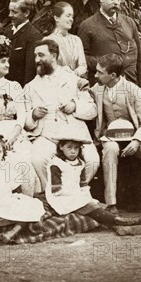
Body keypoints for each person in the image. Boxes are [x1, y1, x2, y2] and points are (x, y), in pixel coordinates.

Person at [90, 53, 141, 223]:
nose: (95, 75)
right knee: (110, 150)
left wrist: (137, 140)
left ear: (113, 75)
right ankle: (111, 204)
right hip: (110, 137)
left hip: (135, 135)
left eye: (99, 72)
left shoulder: (133, 90)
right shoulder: (96, 89)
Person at [25, 39, 100, 190]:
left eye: (41, 55)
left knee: (92, 160)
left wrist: (75, 106)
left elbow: (92, 110)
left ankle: (75, 194)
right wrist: (33, 115)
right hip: (47, 134)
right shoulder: (30, 87)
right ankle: (52, 196)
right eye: (35, 56)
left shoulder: (74, 79)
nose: (37, 60)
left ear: (54, 56)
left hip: (74, 132)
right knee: (38, 159)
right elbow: (25, 122)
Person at [0, 35, 39, 196]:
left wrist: (13, 136)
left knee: (24, 161)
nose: (7, 64)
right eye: (3, 61)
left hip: (14, 132)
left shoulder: (14, 86)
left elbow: (22, 116)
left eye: (7, 60)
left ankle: (25, 202)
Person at [47, 136, 141, 235]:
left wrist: (87, 199)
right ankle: (121, 221)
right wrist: (80, 199)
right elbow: (56, 191)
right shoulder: (56, 164)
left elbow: (83, 186)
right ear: (61, 147)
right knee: (92, 209)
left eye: (76, 148)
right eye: (69, 147)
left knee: (98, 206)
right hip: (62, 198)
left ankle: (120, 228)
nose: (73, 151)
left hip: (76, 197)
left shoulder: (80, 163)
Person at [78, 0, 141, 88]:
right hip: (102, 88)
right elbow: (82, 58)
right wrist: (105, 64)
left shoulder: (129, 22)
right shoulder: (87, 26)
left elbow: (140, 58)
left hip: (131, 85)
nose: (116, 2)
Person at [6, 0, 42, 86]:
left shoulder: (34, 36)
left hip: (20, 90)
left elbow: (30, 70)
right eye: (9, 11)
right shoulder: (8, 32)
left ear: (26, 13)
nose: (10, 15)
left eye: (14, 12)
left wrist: (26, 94)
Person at [44, 2, 87, 77]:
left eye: (72, 16)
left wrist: (74, 73)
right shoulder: (47, 41)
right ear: (56, 18)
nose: (71, 19)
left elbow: (83, 66)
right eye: (68, 16)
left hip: (75, 83)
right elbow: (48, 67)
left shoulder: (76, 40)